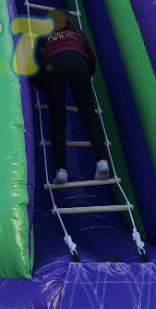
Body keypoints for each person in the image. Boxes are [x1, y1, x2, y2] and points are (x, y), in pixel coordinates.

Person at [31, 9, 109, 184]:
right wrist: (88, 73)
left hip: (53, 65)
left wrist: (41, 84)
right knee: (89, 115)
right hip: (77, 60)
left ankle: (61, 171)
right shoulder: (76, 32)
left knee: (57, 121)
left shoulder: (44, 35)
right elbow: (90, 56)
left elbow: (38, 59)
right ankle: (102, 162)